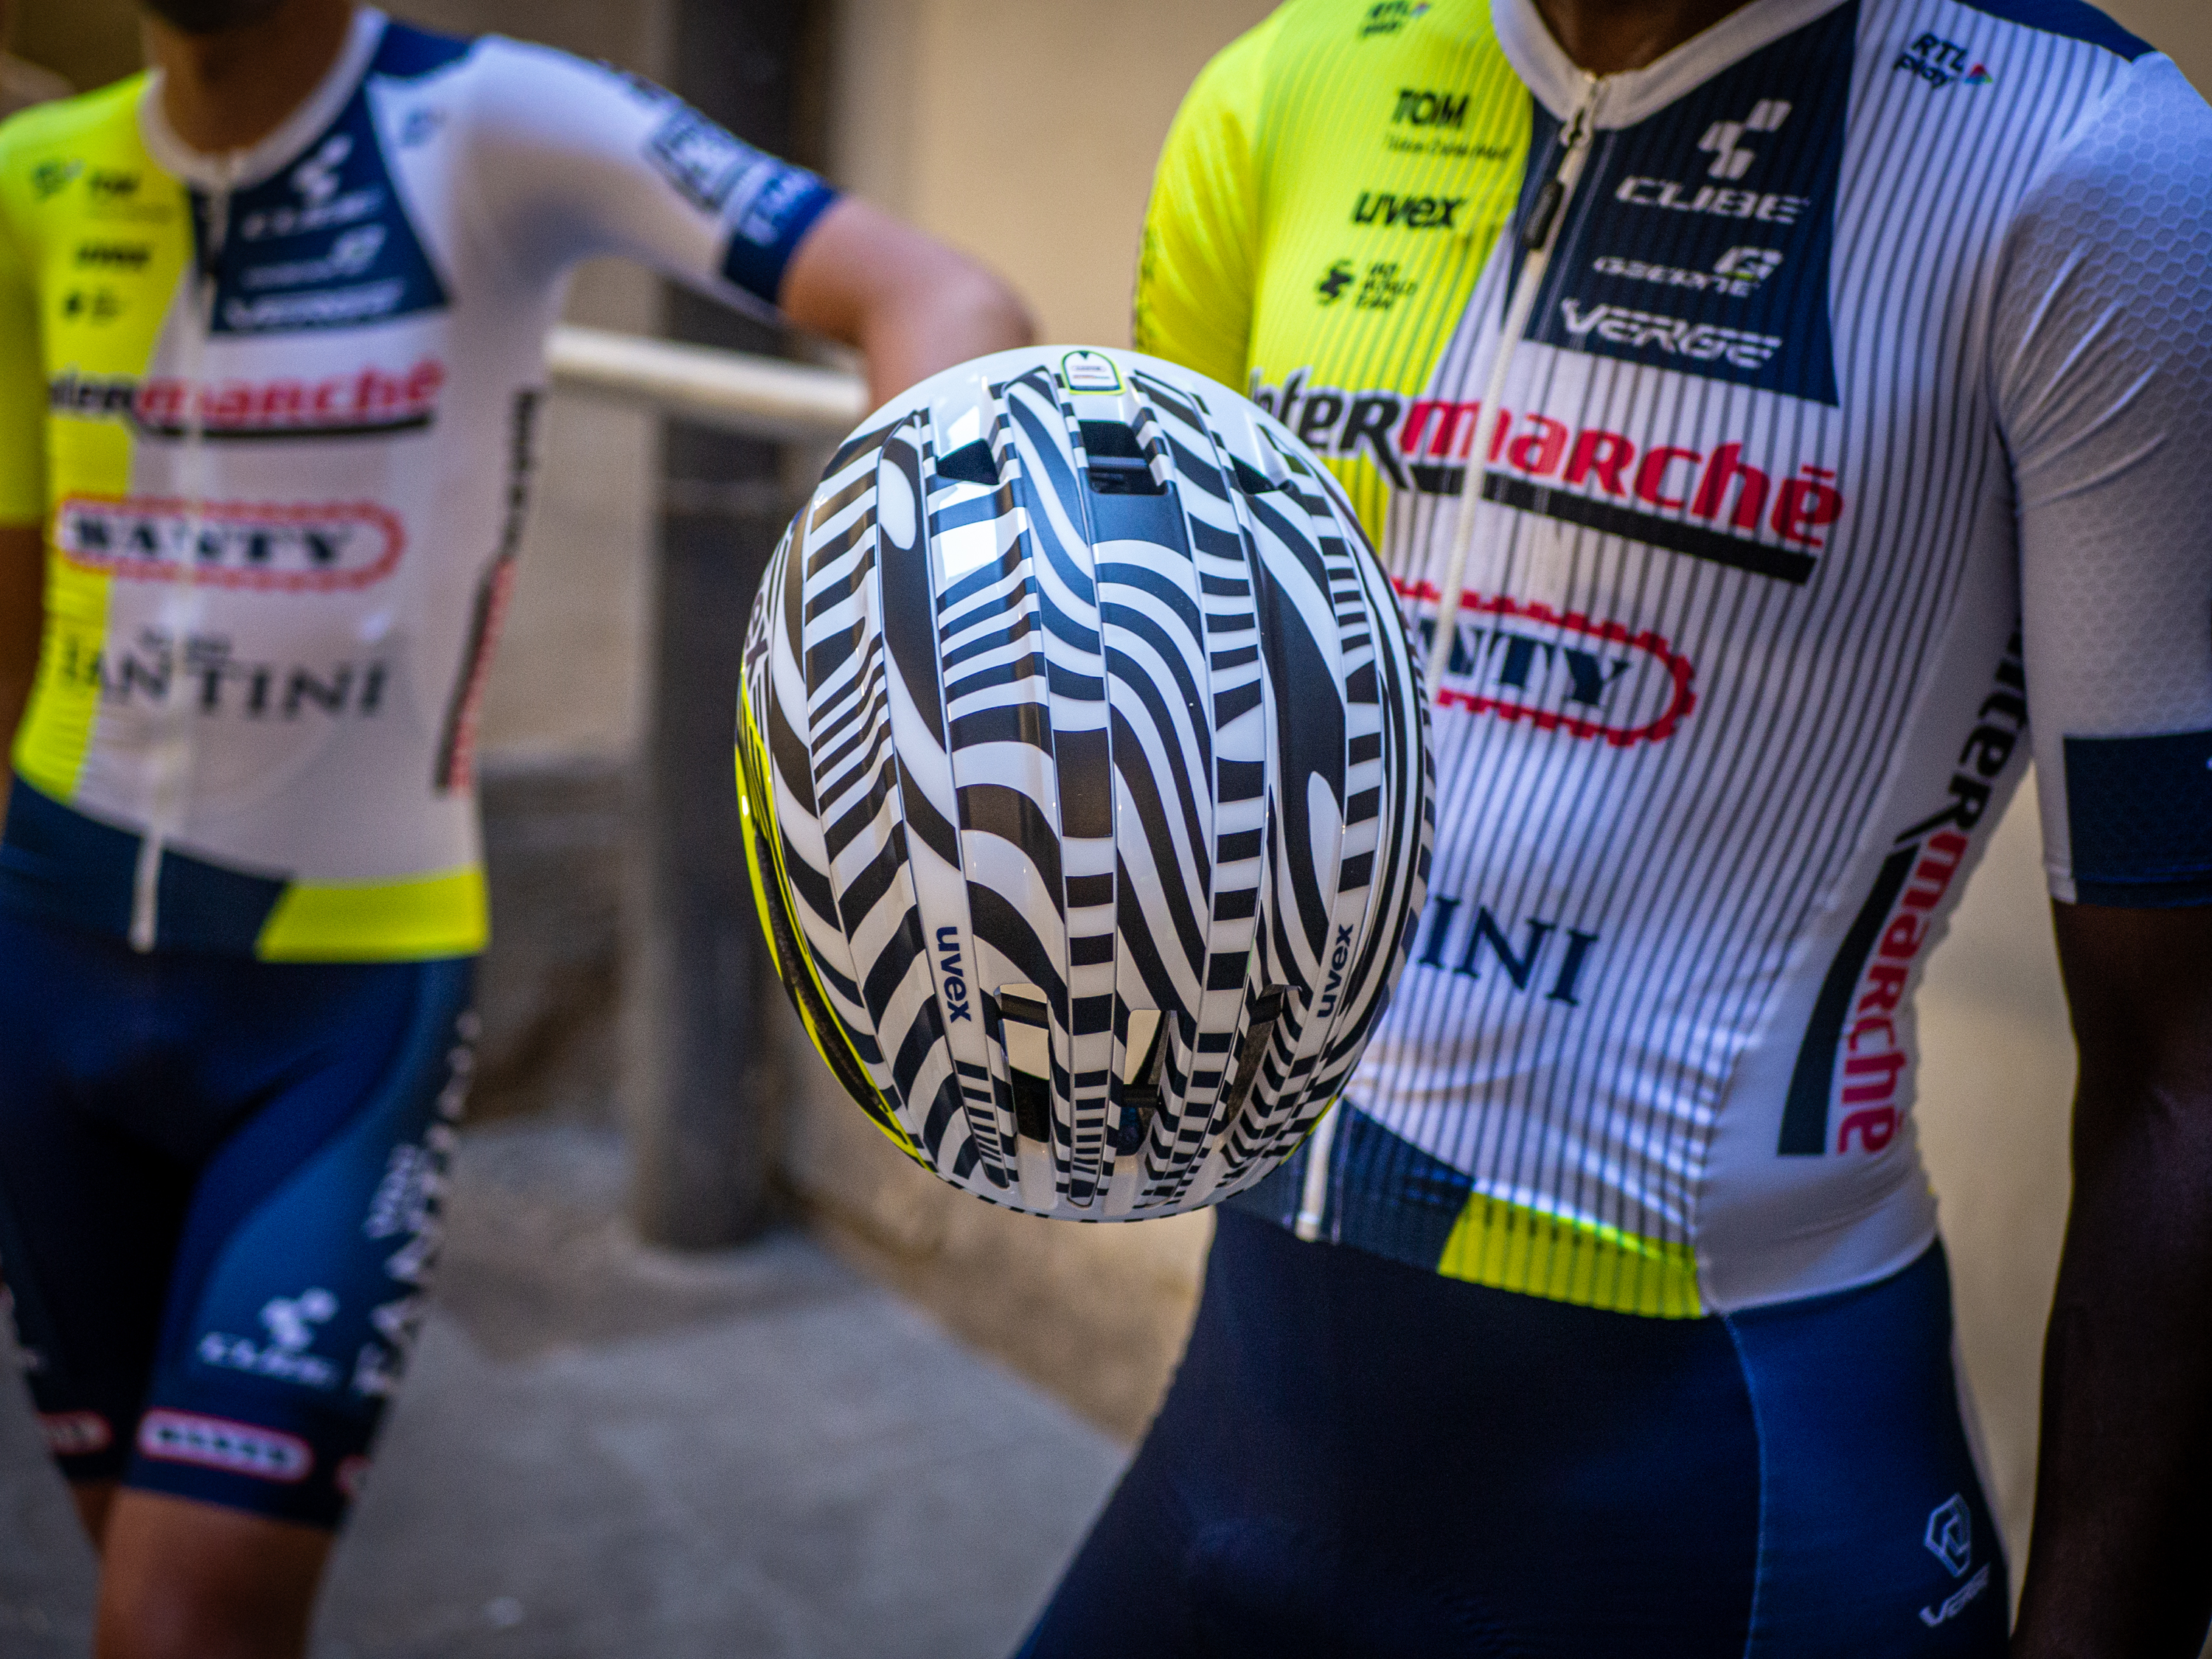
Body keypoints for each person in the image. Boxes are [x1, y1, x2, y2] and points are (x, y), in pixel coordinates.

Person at [1022, 0, 2212, 1653]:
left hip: (1726, 1486)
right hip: (1250, 1422)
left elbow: (2186, 1053)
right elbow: (1169, 763)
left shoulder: (2094, 163)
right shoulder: (1287, 87)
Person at [0, 0, 1034, 1654]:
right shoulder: (30, 181)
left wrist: (943, 625)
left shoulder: (487, 121)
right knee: (142, 1565)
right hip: (40, 967)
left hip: (331, 1020)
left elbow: (938, 293)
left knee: (182, 1616)